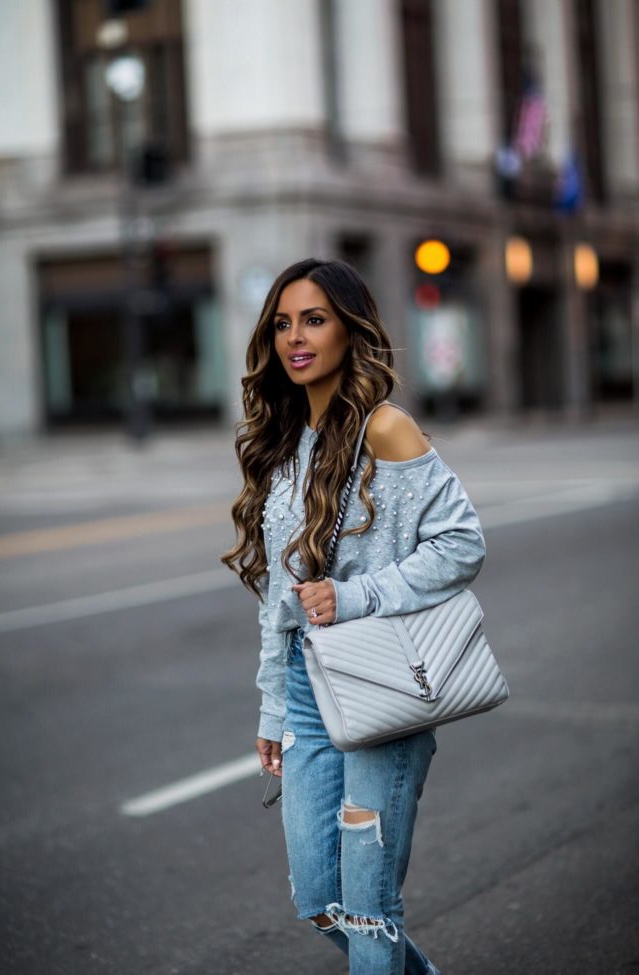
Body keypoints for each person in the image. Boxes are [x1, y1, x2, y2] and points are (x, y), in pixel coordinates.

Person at [221, 258, 486, 974]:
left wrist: (356, 595)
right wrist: (274, 706)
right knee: (319, 898)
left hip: (382, 688)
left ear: (350, 327)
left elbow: (464, 544)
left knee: (370, 908)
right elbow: (278, 600)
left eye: (314, 319)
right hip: (309, 694)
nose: (294, 337)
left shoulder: (387, 428)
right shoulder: (283, 443)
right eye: (282, 323)